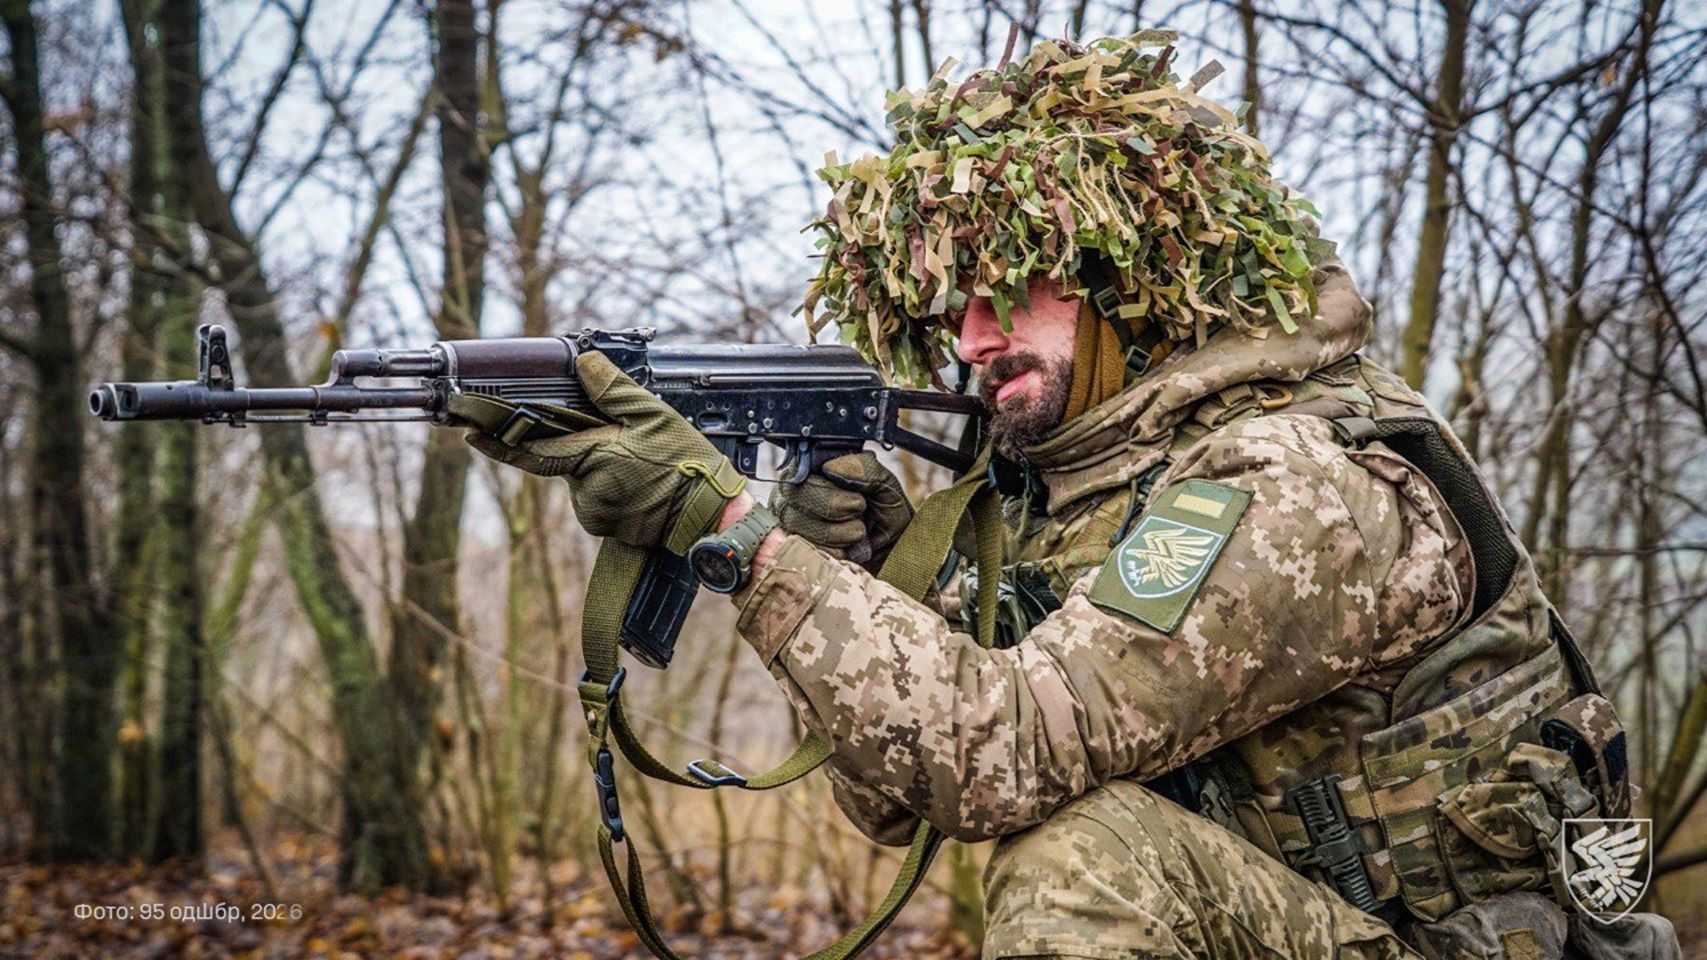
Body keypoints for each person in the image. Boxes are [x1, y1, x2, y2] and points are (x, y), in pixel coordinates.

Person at [463, 30, 1677, 960]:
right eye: (957, 307)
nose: (975, 338)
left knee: (1080, 857)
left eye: (1016, 292)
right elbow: (893, 802)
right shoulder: (1072, 479)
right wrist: (876, 586)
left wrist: (734, 537)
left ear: (1133, 283)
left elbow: (1002, 757)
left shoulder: (1296, 478)